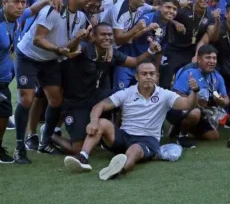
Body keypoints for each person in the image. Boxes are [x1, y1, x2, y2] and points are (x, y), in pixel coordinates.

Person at [63, 59, 199, 180]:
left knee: (134, 150)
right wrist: (93, 122)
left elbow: (188, 104)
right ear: (136, 76)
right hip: (125, 136)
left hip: (148, 140)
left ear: (157, 77)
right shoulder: (127, 93)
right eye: (144, 74)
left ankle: (118, 171)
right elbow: (100, 105)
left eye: (152, 74)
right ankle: (83, 157)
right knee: (102, 123)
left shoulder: (165, 95)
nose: (148, 77)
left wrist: (194, 91)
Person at [14, 0, 93, 164]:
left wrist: (76, 42)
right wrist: (59, 50)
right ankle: (20, 147)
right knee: (27, 99)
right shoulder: (53, 10)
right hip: (28, 56)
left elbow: (67, 45)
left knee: (56, 100)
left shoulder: (81, 16)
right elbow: (37, 39)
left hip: (49, 60)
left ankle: (45, 141)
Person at [54, 23, 162, 154]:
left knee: (122, 97)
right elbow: (69, 50)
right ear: (93, 36)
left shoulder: (112, 52)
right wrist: (77, 39)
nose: (107, 37)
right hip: (75, 103)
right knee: (77, 148)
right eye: (103, 34)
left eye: (110, 35)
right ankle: (51, 137)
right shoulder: (84, 48)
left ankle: (116, 134)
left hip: (95, 96)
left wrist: (150, 51)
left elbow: (133, 62)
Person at [0, 0, 56, 173]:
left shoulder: (17, 17)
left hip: (2, 80)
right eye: (16, 2)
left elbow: (32, 10)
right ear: (4, 3)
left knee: (3, 113)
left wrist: (48, 0)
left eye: (23, 2)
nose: (20, 6)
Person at [159, 0, 221, 89]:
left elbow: (212, 37)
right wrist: (175, 22)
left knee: (196, 76)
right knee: (166, 77)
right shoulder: (184, 8)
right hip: (175, 50)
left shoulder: (209, 15)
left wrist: (217, 21)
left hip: (192, 51)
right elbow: (163, 14)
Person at [167, 45, 229, 148]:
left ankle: (178, 128)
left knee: (213, 136)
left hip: (202, 111)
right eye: (208, 57)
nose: (212, 61)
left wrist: (221, 101)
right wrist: (195, 101)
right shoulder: (189, 72)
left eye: (214, 58)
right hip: (178, 109)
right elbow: (175, 95)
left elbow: (226, 98)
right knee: (195, 113)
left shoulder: (217, 76)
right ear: (199, 60)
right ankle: (182, 137)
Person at [107, 0, 155, 89]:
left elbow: (158, 9)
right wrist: (136, 28)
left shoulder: (142, 5)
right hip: (108, 48)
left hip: (121, 48)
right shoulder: (119, 9)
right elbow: (118, 39)